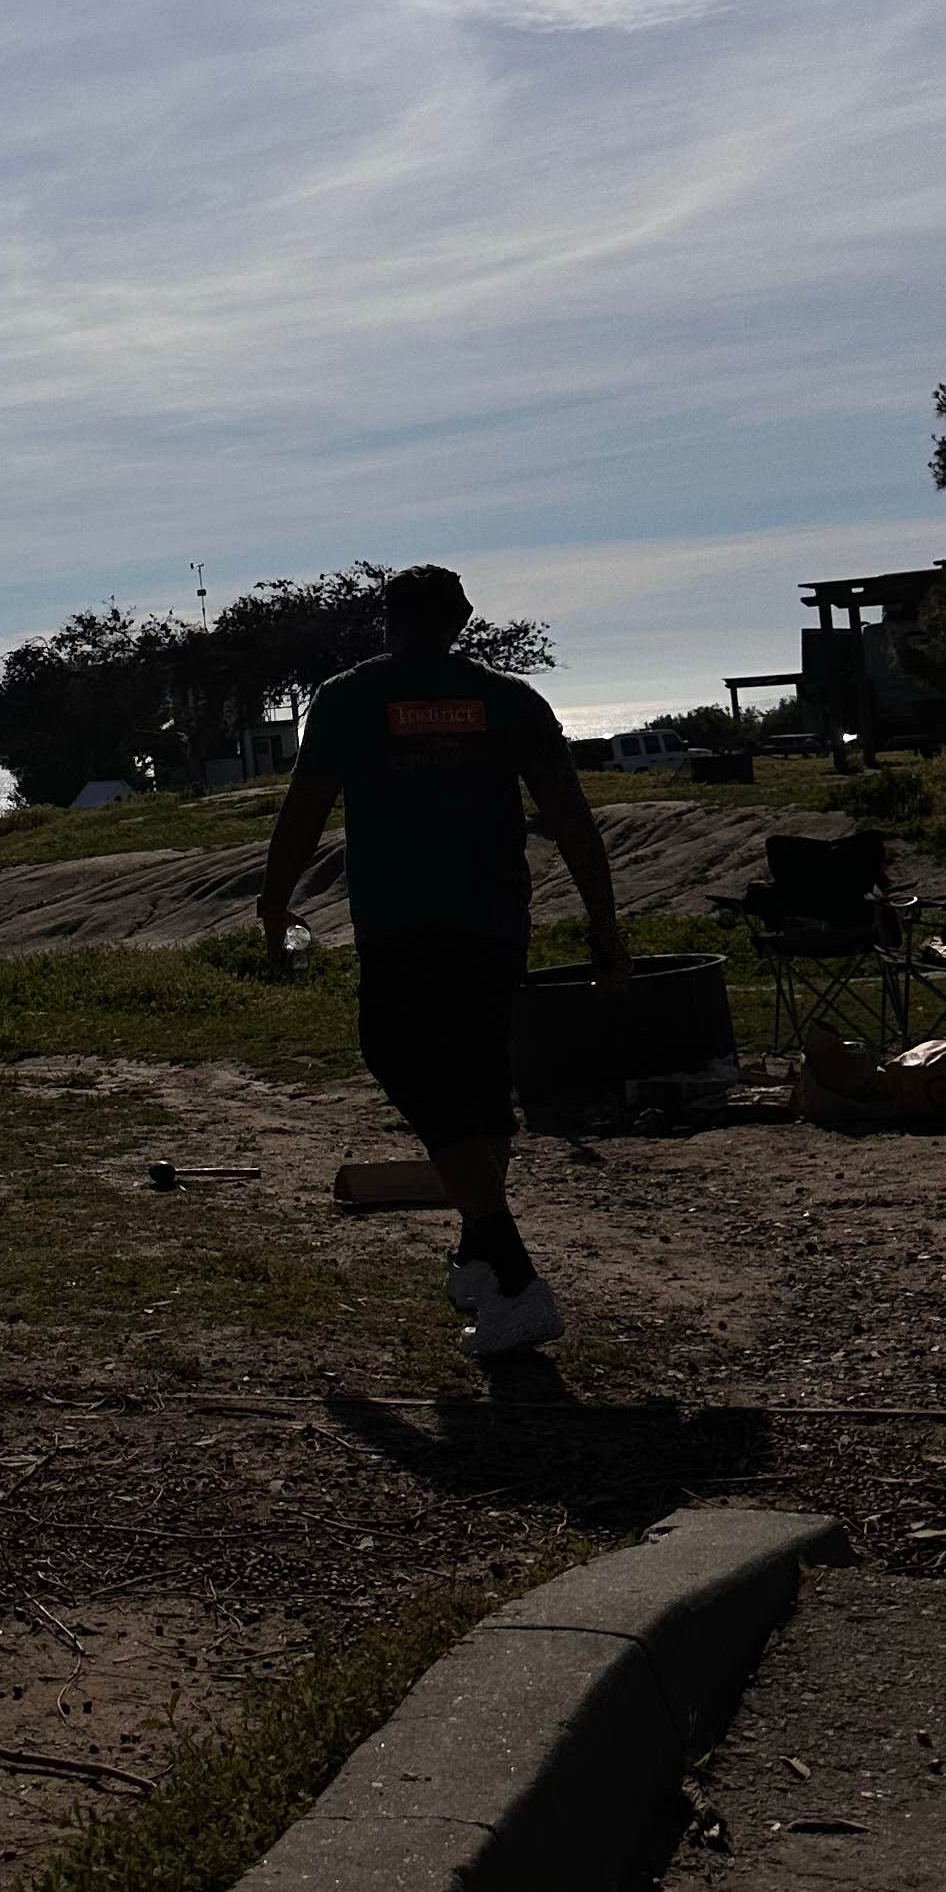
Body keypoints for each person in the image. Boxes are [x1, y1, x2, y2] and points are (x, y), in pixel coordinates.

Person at [255, 565, 625, 1360]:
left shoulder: (351, 697)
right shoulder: (511, 701)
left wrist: (274, 898)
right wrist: (604, 921)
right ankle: (478, 1263)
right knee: (481, 1081)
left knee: (408, 1066)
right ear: (461, 621)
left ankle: (514, 1271)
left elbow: (307, 803)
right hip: (495, 923)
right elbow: (571, 817)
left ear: (387, 620)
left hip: (402, 926)